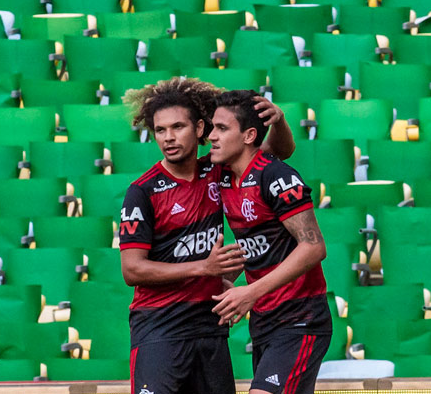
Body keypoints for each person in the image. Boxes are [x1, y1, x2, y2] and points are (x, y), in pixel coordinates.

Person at [119, 78, 296, 394]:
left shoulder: (219, 171)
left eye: (177, 127)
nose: (169, 138)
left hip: (209, 326)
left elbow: (278, 151)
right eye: (160, 130)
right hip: (160, 328)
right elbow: (132, 270)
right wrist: (204, 268)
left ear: (200, 128)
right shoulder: (142, 192)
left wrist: (278, 120)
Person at [209, 89, 332, 394]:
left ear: (249, 135)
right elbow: (258, 246)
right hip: (264, 320)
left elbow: (314, 247)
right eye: (212, 127)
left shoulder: (274, 176)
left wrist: (250, 292)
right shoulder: (225, 175)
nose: (212, 136)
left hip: (300, 318)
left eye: (222, 128)